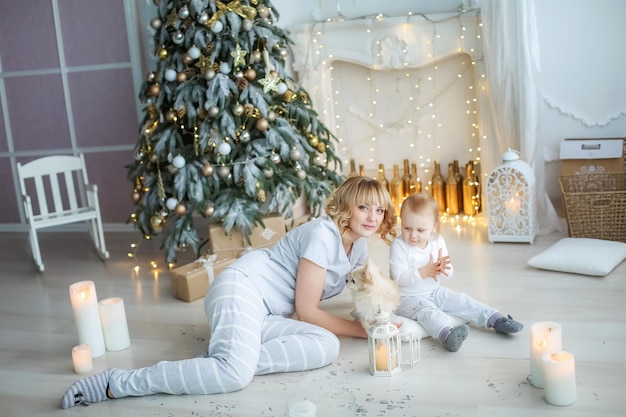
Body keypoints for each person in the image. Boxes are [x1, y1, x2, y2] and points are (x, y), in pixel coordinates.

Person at [60, 176, 397, 408]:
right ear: (345, 208)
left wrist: (381, 319)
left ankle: (227, 357)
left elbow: (364, 297)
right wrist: (365, 332)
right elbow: (307, 311)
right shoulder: (322, 234)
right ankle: (116, 383)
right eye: (364, 207)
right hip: (241, 288)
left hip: (268, 313)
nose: (372, 216)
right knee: (234, 376)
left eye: (379, 209)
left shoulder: (358, 249)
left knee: (325, 346)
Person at [389, 192, 522, 352]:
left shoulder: (437, 241)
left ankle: (495, 319)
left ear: (434, 226)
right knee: (428, 312)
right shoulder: (399, 245)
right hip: (407, 298)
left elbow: (447, 273)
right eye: (407, 228)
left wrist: (443, 271)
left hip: (434, 291)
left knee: (461, 300)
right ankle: (447, 335)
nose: (413, 235)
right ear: (401, 222)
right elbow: (397, 278)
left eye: (420, 230)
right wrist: (423, 272)